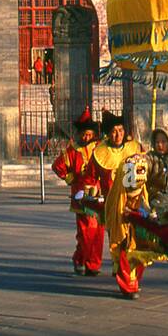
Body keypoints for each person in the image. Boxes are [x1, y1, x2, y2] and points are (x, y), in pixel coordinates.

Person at [84, 111, 143, 297]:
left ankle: (130, 276)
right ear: (108, 134)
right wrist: (89, 193)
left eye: (121, 130)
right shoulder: (100, 153)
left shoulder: (135, 148)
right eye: (114, 131)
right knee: (121, 243)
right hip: (113, 206)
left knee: (137, 244)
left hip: (135, 204)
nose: (118, 135)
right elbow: (90, 177)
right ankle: (128, 283)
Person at [51, 106, 102, 275]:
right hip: (81, 195)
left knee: (98, 232)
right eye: (84, 134)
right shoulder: (72, 151)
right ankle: (83, 260)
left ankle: (92, 262)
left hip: (99, 194)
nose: (86, 137)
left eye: (89, 134)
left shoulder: (100, 148)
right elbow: (57, 166)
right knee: (85, 232)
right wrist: (70, 178)